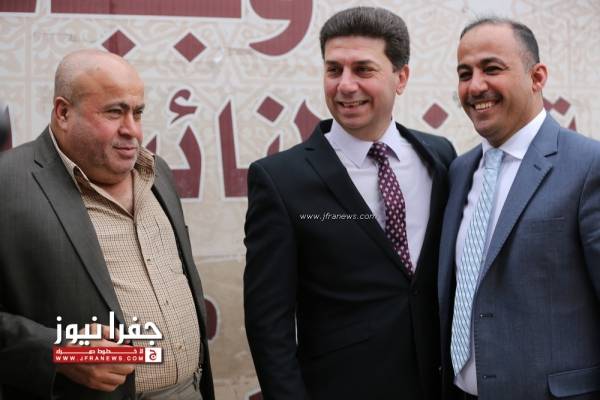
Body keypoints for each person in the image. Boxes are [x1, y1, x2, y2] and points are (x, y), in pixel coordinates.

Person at [244, 7, 456, 400]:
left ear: (401, 77)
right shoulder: (280, 179)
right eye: (333, 70)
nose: (345, 85)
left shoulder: (440, 156)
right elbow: (267, 322)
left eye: (363, 69)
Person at [0, 49, 214, 400]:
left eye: (138, 112)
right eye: (115, 112)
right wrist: (59, 352)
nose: (133, 130)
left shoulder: (157, 172)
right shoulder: (7, 183)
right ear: (63, 112)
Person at [438, 17, 600, 400]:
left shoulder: (588, 165)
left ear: (537, 77)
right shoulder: (459, 171)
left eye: (492, 68)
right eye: (465, 74)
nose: (475, 86)